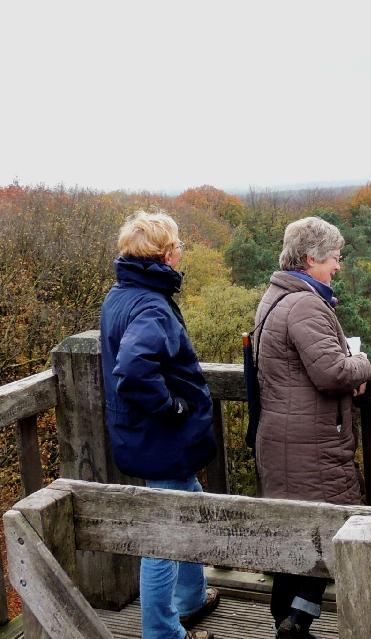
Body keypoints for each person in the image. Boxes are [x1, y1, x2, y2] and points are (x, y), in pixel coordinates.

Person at [100, 209, 220, 639]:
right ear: (167, 255)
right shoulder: (151, 305)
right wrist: (173, 408)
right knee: (162, 539)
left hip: (144, 437)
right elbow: (133, 370)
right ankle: (163, 633)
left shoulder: (121, 294)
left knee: (188, 508)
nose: (182, 253)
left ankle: (190, 600)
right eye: (179, 246)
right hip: (160, 438)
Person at [254, 217, 371, 639]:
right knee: (328, 534)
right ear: (311, 259)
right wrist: (363, 365)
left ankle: (286, 623)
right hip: (311, 446)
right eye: (335, 259)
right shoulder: (305, 304)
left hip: (284, 440)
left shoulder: (276, 296)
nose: (338, 267)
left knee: (295, 538)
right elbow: (331, 371)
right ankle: (297, 623)